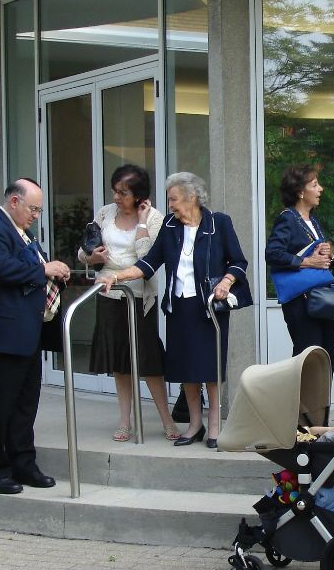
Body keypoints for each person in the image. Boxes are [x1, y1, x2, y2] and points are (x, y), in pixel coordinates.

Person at [99, 172, 250, 450]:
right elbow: (149, 263)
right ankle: (194, 424)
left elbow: (239, 262)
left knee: (210, 367)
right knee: (185, 367)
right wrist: (117, 276)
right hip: (179, 305)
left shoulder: (219, 223)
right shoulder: (170, 225)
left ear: (192, 197)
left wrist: (227, 282)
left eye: (173, 199)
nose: (169, 205)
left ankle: (214, 424)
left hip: (209, 306)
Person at [0, 178, 70, 494]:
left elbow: (33, 269)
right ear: (14, 201)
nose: (36, 216)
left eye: (39, 210)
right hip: (0, 336)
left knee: (25, 405)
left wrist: (55, 271)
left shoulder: (23, 233)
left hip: (28, 334)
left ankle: (24, 464)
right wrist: (44, 270)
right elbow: (0, 268)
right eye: (33, 209)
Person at [78, 165, 176, 443]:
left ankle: (166, 418)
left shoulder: (155, 218)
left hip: (140, 296)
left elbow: (149, 259)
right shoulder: (105, 213)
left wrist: (142, 222)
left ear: (138, 194)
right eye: (115, 191)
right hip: (108, 293)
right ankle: (124, 420)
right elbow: (84, 251)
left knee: (148, 358)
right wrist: (93, 258)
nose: (117, 197)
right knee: (119, 360)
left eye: (123, 193)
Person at [265, 165, 334, 368]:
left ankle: (324, 391)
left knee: (328, 350)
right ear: (300, 192)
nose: (320, 189)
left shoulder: (312, 220)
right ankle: (304, 391)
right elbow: (272, 253)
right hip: (301, 301)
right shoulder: (287, 218)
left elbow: (317, 257)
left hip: (321, 298)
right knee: (309, 354)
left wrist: (326, 254)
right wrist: (307, 261)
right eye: (314, 185)